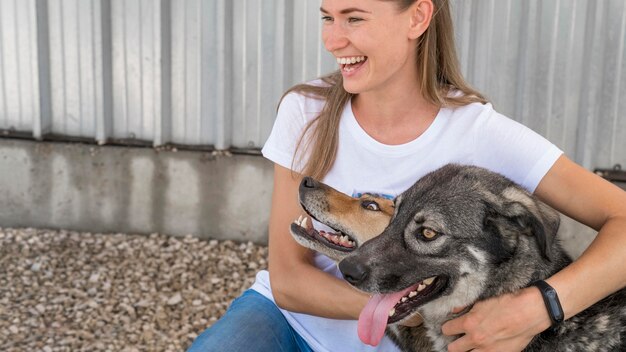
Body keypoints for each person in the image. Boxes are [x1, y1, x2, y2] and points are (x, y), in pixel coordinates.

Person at [188, 0, 626, 351]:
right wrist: (404, 306)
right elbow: (287, 280)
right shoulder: (307, 110)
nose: (332, 39)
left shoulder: (481, 133)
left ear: (417, 16)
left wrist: (539, 307)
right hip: (287, 322)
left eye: (354, 18)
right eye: (327, 17)